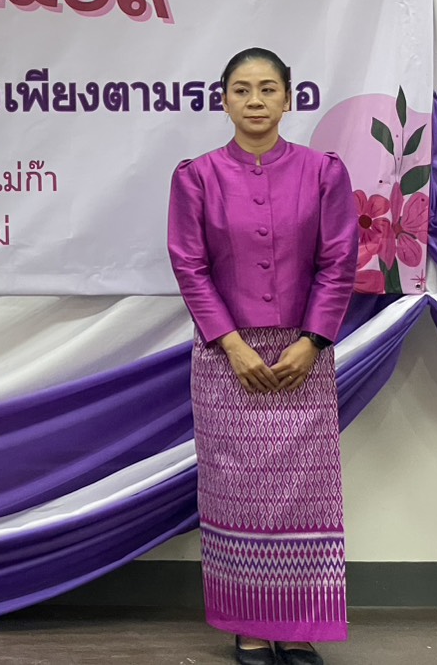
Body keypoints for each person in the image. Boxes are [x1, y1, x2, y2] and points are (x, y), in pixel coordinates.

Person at [167, 48, 358, 665]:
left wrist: (313, 340)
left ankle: (298, 627)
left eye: (268, 89)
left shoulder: (323, 172)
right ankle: (248, 626)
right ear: (223, 99)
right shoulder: (196, 177)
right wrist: (231, 344)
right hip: (227, 359)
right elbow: (190, 267)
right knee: (234, 490)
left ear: (288, 99)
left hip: (304, 357)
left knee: (304, 492)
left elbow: (339, 261)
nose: (255, 101)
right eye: (242, 90)